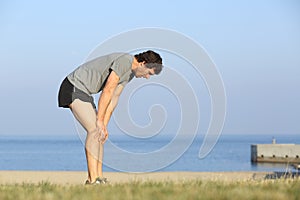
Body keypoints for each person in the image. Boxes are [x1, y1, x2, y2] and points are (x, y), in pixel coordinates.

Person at [58, 50, 163, 184]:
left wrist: (104, 125)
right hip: (73, 87)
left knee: (100, 135)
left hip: (85, 93)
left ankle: (99, 178)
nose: (147, 77)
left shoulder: (129, 74)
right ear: (143, 63)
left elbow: (114, 98)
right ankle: (92, 180)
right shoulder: (125, 61)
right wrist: (99, 121)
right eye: (149, 73)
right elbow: (107, 90)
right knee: (94, 131)